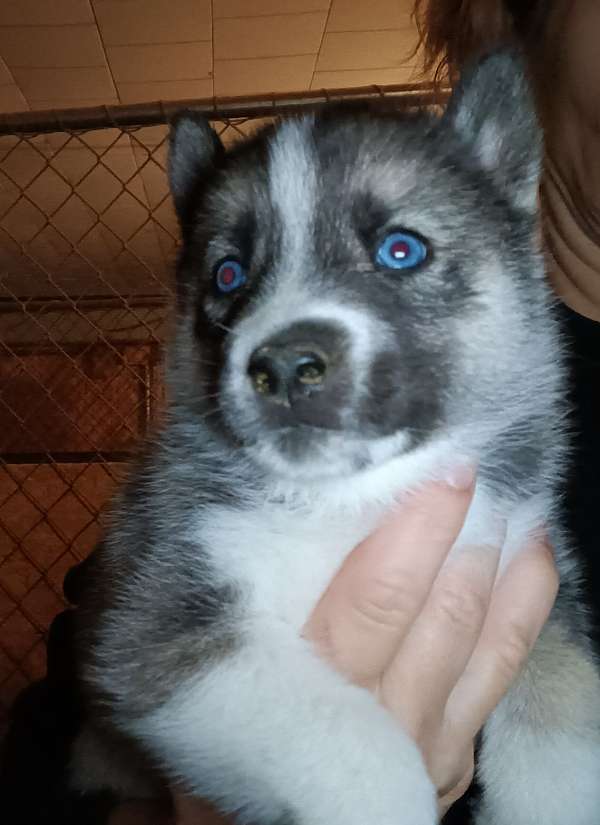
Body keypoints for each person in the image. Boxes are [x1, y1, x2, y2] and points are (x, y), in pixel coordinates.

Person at [4, 2, 597, 823]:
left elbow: (544, 636)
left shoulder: (510, 463)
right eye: (231, 277)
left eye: (401, 250)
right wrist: (362, 783)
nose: (280, 338)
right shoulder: (220, 502)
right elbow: (153, 657)